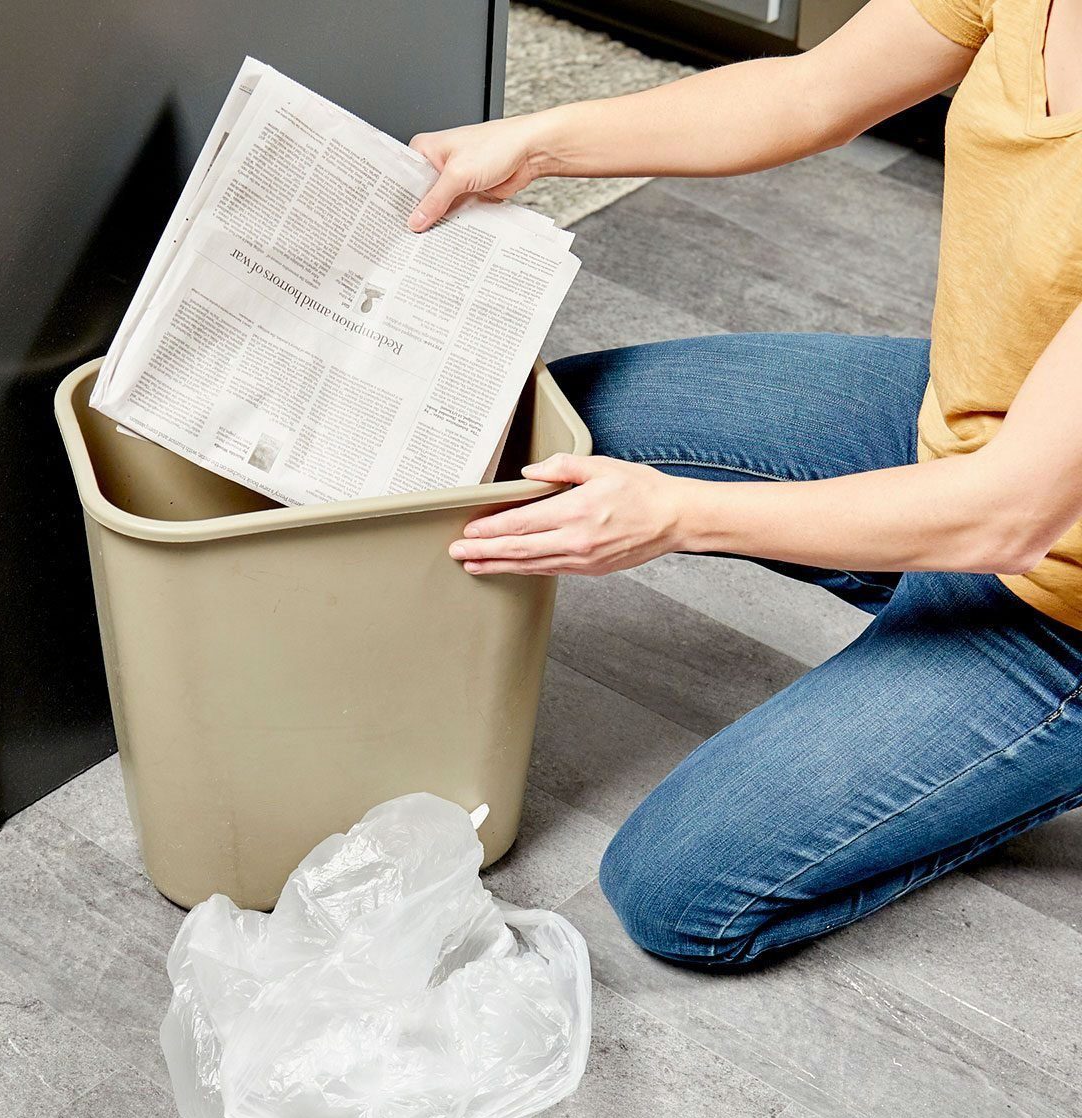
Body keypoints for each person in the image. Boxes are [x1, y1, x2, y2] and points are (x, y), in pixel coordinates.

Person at [406, 0, 1082, 968]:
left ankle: (1011, 736)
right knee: (560, 422)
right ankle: (910, 586)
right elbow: (809, 92)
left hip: (1056, 600)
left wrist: (679, 516)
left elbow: (1009, 515)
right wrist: (538, 144)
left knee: (675, 894)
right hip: (960, 415)